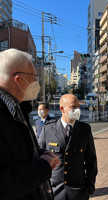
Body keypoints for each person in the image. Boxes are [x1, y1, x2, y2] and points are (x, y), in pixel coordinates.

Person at [0, 48, 60, 200]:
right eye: (34, 77)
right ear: (19, 80)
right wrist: (44, 166)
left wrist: (39, 154)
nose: (37, 83)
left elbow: (17, 153)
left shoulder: (17, 106)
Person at [39, 94, 98, 200]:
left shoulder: (85, 130)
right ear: (62, 109)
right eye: (73, 107)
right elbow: (38, 159)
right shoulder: (47, 130)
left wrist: (89, 187)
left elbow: (91, 161)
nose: (77, 110)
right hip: (54, 192)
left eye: (78, 107)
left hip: (78, 192)